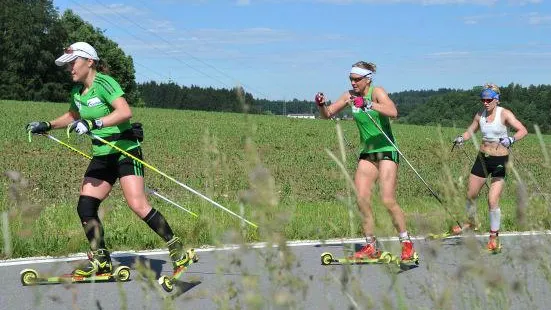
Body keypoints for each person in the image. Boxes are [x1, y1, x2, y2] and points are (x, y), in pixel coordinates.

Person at [25, 42, 193, 276]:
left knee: (138, 205)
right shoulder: (77, 92)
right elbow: (73, 115)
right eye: (67, 65)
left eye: (73, 63)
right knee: (85, 206)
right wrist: (48, 125)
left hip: (125, 151)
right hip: (102, 155)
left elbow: (125, 111)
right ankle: (102, 260)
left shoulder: (105, 82)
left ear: (89, 62)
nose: (69, 68)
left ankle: (177, 250)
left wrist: (94, 123)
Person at [314, 61, 417, 261]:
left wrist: (368, 104)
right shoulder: (349, 96)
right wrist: (320, 105)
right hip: (367, 153)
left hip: (386, 150)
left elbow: (393, 112)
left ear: (367, 79)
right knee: (361, 199)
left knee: (387, 199)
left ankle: (406, 242)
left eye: (357, 79)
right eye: (351, 79)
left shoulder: (377, 92)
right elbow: (328, 115)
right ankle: (371, 246)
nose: (353, 83)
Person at [451, 83, 527, 251]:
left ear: (496, 100)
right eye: (483, 99)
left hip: (500, 161)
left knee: (492, 200)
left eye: (488, 99)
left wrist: (511, 139)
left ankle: (494, 237)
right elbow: (470, 131)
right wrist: (461, 138)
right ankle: (471, 223)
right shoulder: (480, 115)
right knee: (470, 195)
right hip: (482, 159)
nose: (485, 102)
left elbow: (523, 130)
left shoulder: (504, 114)